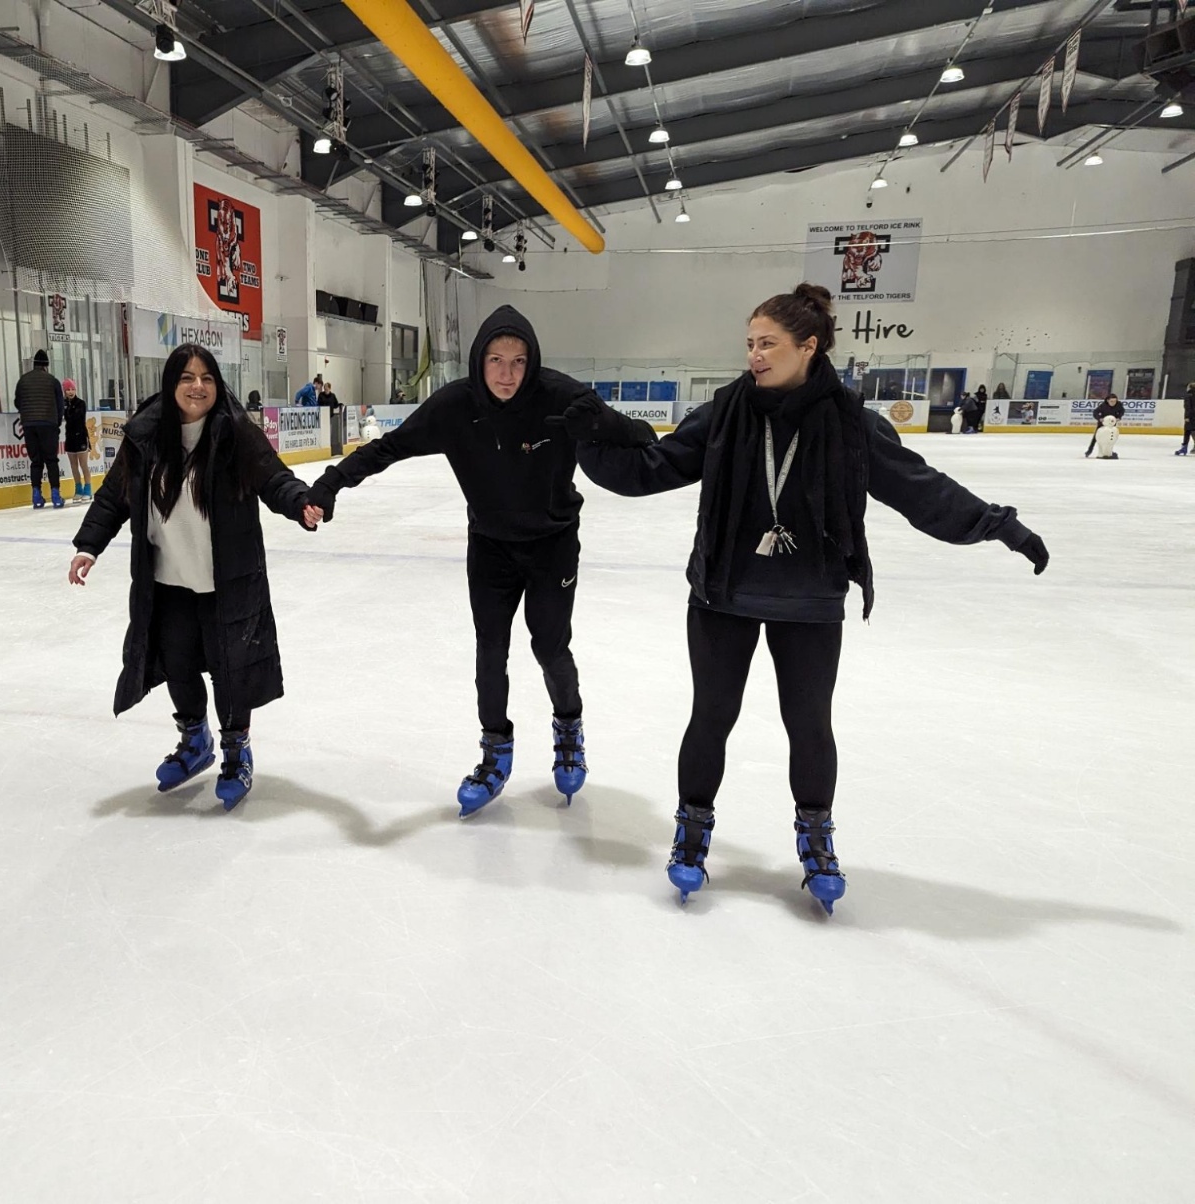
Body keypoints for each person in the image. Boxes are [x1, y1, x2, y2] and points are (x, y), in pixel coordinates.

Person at [574, 283, 1049, 914]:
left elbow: (919, 489)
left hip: (811, 600)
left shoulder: (851, 423)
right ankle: (692, 829)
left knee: (809, 724)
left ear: (809, 346)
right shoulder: (724, 413)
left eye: (768, 344)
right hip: (723, 595)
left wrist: (997, 525)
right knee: (711, 716)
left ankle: (816, 837)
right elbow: (652, 469)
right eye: (750, 344)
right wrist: (585, 439)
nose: (754, 355)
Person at [306, 305, 656, 816]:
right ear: (479, 360)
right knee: (490, 651)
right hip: (491, 547)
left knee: (550, 648)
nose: (507, 374)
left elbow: (643, 438)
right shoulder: (455, 406)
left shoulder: (561, 397)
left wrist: (602, 421)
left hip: (553, 544)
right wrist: (331, 482)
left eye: (518, 361)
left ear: (532, 361)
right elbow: (388, 447)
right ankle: (495, 750)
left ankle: (569, 728)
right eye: (496, 360)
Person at [68, 344, 323, 809]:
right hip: (168, 580)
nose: (197, 386)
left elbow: (273, 478)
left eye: (206, 377)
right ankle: (195, 740)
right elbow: (115, 495)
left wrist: (300, 502)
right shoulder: (147, 436)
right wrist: (89, 545)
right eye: (187, 377)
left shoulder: (235, 432)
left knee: (231, 669)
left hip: (226, 580)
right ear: (171, 384)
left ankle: (236, 751)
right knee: (177, 664)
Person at [15, 349, 65, 508]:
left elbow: (17, 402)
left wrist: (27, 414)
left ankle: (36, 495)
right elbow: (60, 405)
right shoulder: (53, 381)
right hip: (48, 424)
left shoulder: (23, 380)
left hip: (29, 425)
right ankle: (55, 495)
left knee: (36, 461)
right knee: (51, 460)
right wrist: (57, 423)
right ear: (46, 365)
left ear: (34, 364)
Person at [62, 379, 91, 503]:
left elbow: (75, 417)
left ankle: (88, 489)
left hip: (81, 436)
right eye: (68, 389)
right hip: (70, 437)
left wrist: (68, 408)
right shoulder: (63, 404)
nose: (70, 392)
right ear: (64, 391)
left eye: (72, 389)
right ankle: (78, 488)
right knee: (73, 466)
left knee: (83, 464)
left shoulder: (81, 403)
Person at [1085, 392, 1124, 458]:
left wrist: (1119, 417)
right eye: (1111, 401)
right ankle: (1089, 451)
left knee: (1110, 438)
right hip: (1102, 424)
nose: (1113, 403)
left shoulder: (1119, 405)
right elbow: (1095, 412)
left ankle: (1108, 452)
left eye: (1115, 401)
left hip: (1111, 424)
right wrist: (1099, 418)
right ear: (1107, 400)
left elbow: (1122, 411)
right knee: (1096, 438)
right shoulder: (1103, 406)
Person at [1175, 383, 1194, 456]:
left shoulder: (1188, 396)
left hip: (1191, 416)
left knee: (1187, 432)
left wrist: (1187, 417)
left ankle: (1184, 448)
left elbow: (1188, 407)